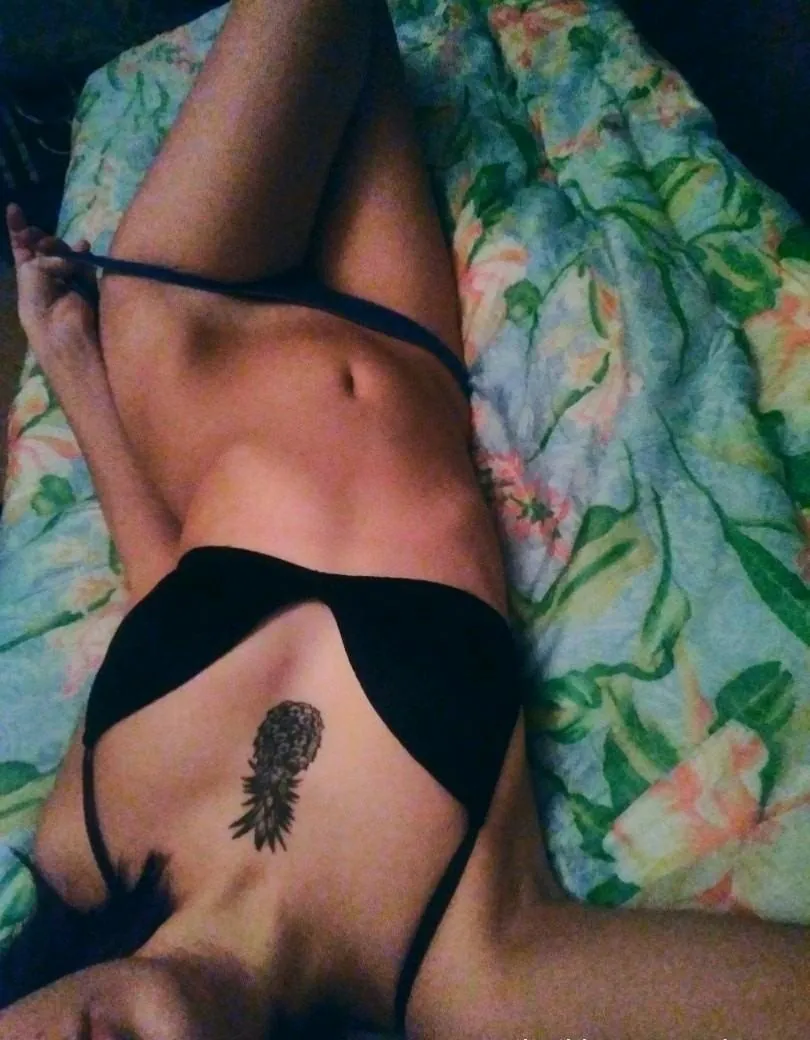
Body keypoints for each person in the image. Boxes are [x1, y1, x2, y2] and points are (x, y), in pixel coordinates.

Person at [0, 0, 808, 1037]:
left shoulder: (79, 845)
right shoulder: (467, 971)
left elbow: (166, 598)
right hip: (399, 330)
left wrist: (74, 362)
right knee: (362, 29)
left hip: (183, 317)